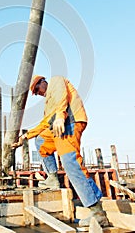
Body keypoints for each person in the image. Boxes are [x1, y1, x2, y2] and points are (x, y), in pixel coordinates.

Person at [12, 75, 109, 228]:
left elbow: (61, 96)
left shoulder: (56, 82)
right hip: (58, 125)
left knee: (70, 162)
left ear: (42, 82)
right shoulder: (48, 103)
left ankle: (97, 213)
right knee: (41, 141)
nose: (38, 93)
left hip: (70, 122)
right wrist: (24, 137)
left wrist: (59, 117)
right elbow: (45, 123)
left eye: (37, 89)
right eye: (35, 92)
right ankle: (52, 177)